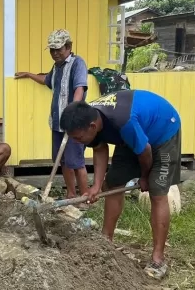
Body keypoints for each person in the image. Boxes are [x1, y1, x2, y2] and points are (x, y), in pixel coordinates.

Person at [59, 91, 182, 280]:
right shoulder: (90, 116)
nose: (77, 142)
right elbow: (100, 148)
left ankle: (158, 259)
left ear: (92, 126)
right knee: (113, 184)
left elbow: (146, 151)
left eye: (78, 138)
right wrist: (96, 185)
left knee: (157, 192)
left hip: (163, 132)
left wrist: (144, 176)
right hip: (135, 135)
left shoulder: (124, 121)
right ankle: (105, 241)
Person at [15, 29, 89, 199]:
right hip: (57, 122)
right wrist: (28, 74)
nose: (55, 53)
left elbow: (79, 88)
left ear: (68, 46)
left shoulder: (78, 63)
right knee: (61, 160)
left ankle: (85, 197)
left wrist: (74, 111)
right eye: (52, 50)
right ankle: (71, 194)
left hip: (74, 123)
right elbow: (46, 80)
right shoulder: (57, 67)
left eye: (59, 49)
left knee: (76, 161)